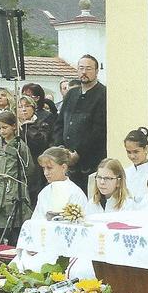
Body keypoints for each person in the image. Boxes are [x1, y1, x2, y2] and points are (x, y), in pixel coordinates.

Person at [53, 55, 107, 195]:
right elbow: (60, 123)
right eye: (81, 68)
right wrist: (61, 148)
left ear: (96, 71)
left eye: (88, 68)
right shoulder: (71, 94)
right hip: (67, 160)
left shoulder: (103, 94)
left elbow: (98, 130)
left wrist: (78, 153)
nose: (84, 72)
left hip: (90, 162)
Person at [0, 111, 35, 244]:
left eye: (5, 127)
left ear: (13, 126)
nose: (2, 131)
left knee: (14, 222)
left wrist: (19, 183)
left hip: (13, 189)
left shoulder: (20, 146)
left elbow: (29, 168)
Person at [31, 147, 88, 220]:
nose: (45, 173)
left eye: (49, 168)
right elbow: (36, 220)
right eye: (43, 168)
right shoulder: (44, 193)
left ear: (64, 167)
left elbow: (81, 220)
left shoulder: (75, 193)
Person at [16, 95, 51, 206]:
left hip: (35, 168)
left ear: (33, 108)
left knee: (34, 198)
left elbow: (40, 142)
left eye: (27, 106)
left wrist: (28, 126)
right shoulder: (13, 126)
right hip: (16, 167)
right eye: (20, 107)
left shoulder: (42, 124)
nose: (24, 109)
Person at [124, 127, 148, 207]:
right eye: (129, 152)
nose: (132, 156)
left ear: (146, 148)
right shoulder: (125, 173)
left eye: (136, 152)